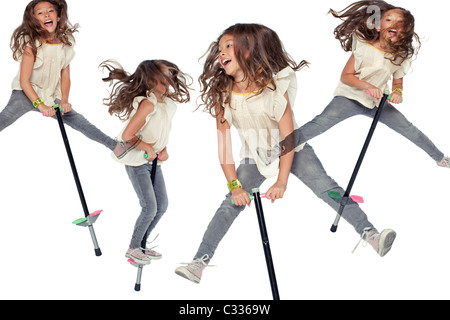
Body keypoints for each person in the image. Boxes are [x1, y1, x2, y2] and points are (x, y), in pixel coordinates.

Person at [175, 23, 395, 284]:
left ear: (250, 49)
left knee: (327, 188)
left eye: (229, 46)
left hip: (292, 149)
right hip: (255, 157)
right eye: (220, 48)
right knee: (229, 204)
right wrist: (235, 186)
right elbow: (224, 146)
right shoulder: (223, 95)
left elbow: (288, 140)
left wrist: (282, 181)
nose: (221, 53)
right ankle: (199, 262)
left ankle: (370, 234)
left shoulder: (275, 89)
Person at [262, 0, 449, 169]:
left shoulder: (400, 56)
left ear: (405, 32)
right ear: (377, 26)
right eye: (389, 20)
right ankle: (274, 151)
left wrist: (398, 92)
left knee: (408, 128)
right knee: (319, 125)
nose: (394, 24)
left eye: (400, 23)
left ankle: (440, 158)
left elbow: (398, 80)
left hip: (377, 102)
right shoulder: (364, 46)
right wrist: (369, 87)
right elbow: (346, 76)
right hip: (349, 97)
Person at [101, 59, 192, 264]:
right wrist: (148, 148)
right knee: (149, 206)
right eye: (164, 77)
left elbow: (161, 131)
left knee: (162, 204)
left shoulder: (167, 104)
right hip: (135, 159)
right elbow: (127, 134)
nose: (168, 81)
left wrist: (164, 149)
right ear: (151, 80)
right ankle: (134, 248)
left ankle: (141, 243)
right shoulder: (147, 104)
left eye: (170, 77)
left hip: (152, 161)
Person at [1, 0, 116, 150]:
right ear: (35, 20)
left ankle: (115, 146)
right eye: (40, 13)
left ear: (58, 16)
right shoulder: (31, 45)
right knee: (4, 119)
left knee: (79, 121)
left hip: (50, 94)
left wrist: (64, 100)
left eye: (50, 11)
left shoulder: (65, 44)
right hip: (26, 93)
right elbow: (24, 81)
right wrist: (40, 105)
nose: (46, 14)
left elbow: (65, 76)